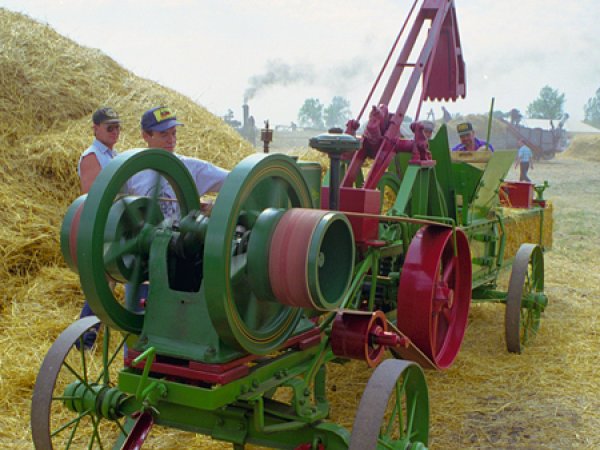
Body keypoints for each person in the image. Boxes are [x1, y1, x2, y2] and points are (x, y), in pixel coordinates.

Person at [76, 107, 121, 349]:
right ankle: (85, 341)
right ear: (95, 128)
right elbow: (93, 197)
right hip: (105, 231)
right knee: (102, 288)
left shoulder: (115, 157)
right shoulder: (92, 156)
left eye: (117, 127)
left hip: (120, 228)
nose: (115, 132)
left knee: (107, 286)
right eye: (109, 127)